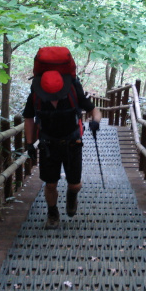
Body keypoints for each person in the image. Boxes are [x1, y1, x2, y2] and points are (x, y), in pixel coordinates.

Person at [23, 67, 102, 229]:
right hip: (48, 144)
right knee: (50, 184)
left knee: (75, 185)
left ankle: (71, 196)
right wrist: (29, 143)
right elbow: (29, 118)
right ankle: (53, 213)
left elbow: (95, 111)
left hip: (72, 143)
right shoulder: (36, 96)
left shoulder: (74, 94)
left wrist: (95, 122)